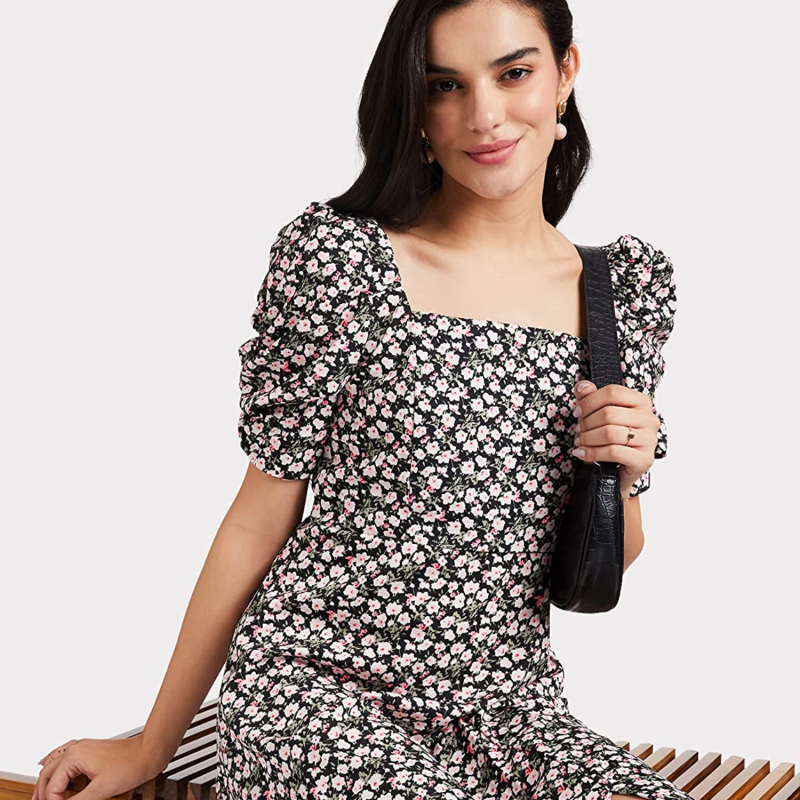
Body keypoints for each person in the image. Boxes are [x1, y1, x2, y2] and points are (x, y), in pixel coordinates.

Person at [32, 1, 685, 799]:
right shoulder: (344, 263)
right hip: (314, 692)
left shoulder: (619, 291)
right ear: (414, 106)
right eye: (445, 85)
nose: (484, 115)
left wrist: (623, 473)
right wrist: (149, 744)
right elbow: (258, 516)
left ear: (565, 75)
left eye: (513, 73)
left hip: (508, 711)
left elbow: (594, 566)